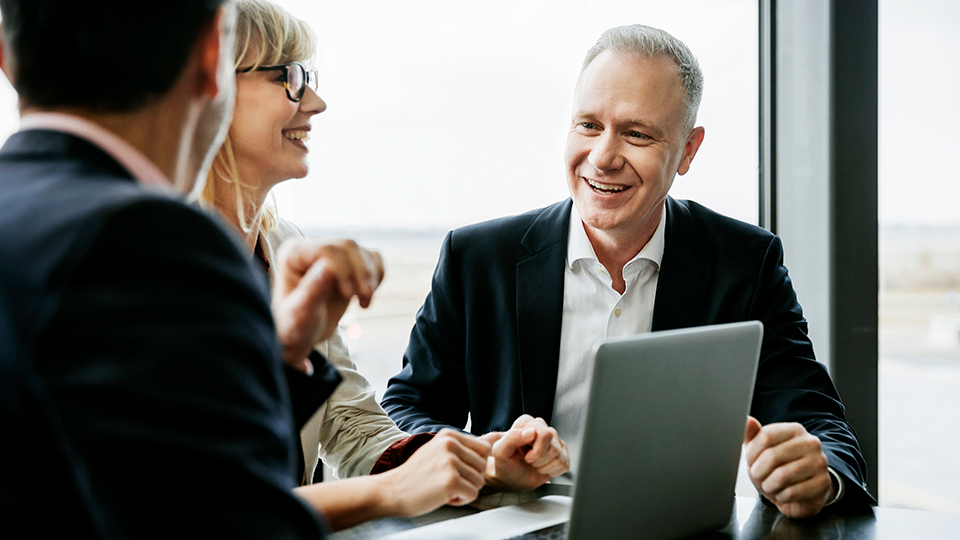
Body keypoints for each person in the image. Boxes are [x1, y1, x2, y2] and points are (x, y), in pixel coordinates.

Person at [382, 24, 876, 518]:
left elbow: (821, 424)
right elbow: (405, 411)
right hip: (510, 524)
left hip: (675, 531)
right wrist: (484, 459)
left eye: (636, 134)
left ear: (687, 151)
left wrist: (819, 475)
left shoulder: (745, 263)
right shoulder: (477, 257)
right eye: (589, 126)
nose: (602, 157)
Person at [0, 0, 379, 536]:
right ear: (211, 57)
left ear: (6, 60)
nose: (314, 103)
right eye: (290, 78)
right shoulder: (147, 237)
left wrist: (279, 356)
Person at [198, 0, 569, 530]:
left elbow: (350, 424)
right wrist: (391, 491)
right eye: (293, 79)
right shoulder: (159, 260)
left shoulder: (284, 246)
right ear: (212, 89)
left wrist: (479, 463)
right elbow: (196, 496)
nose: (317, 102)